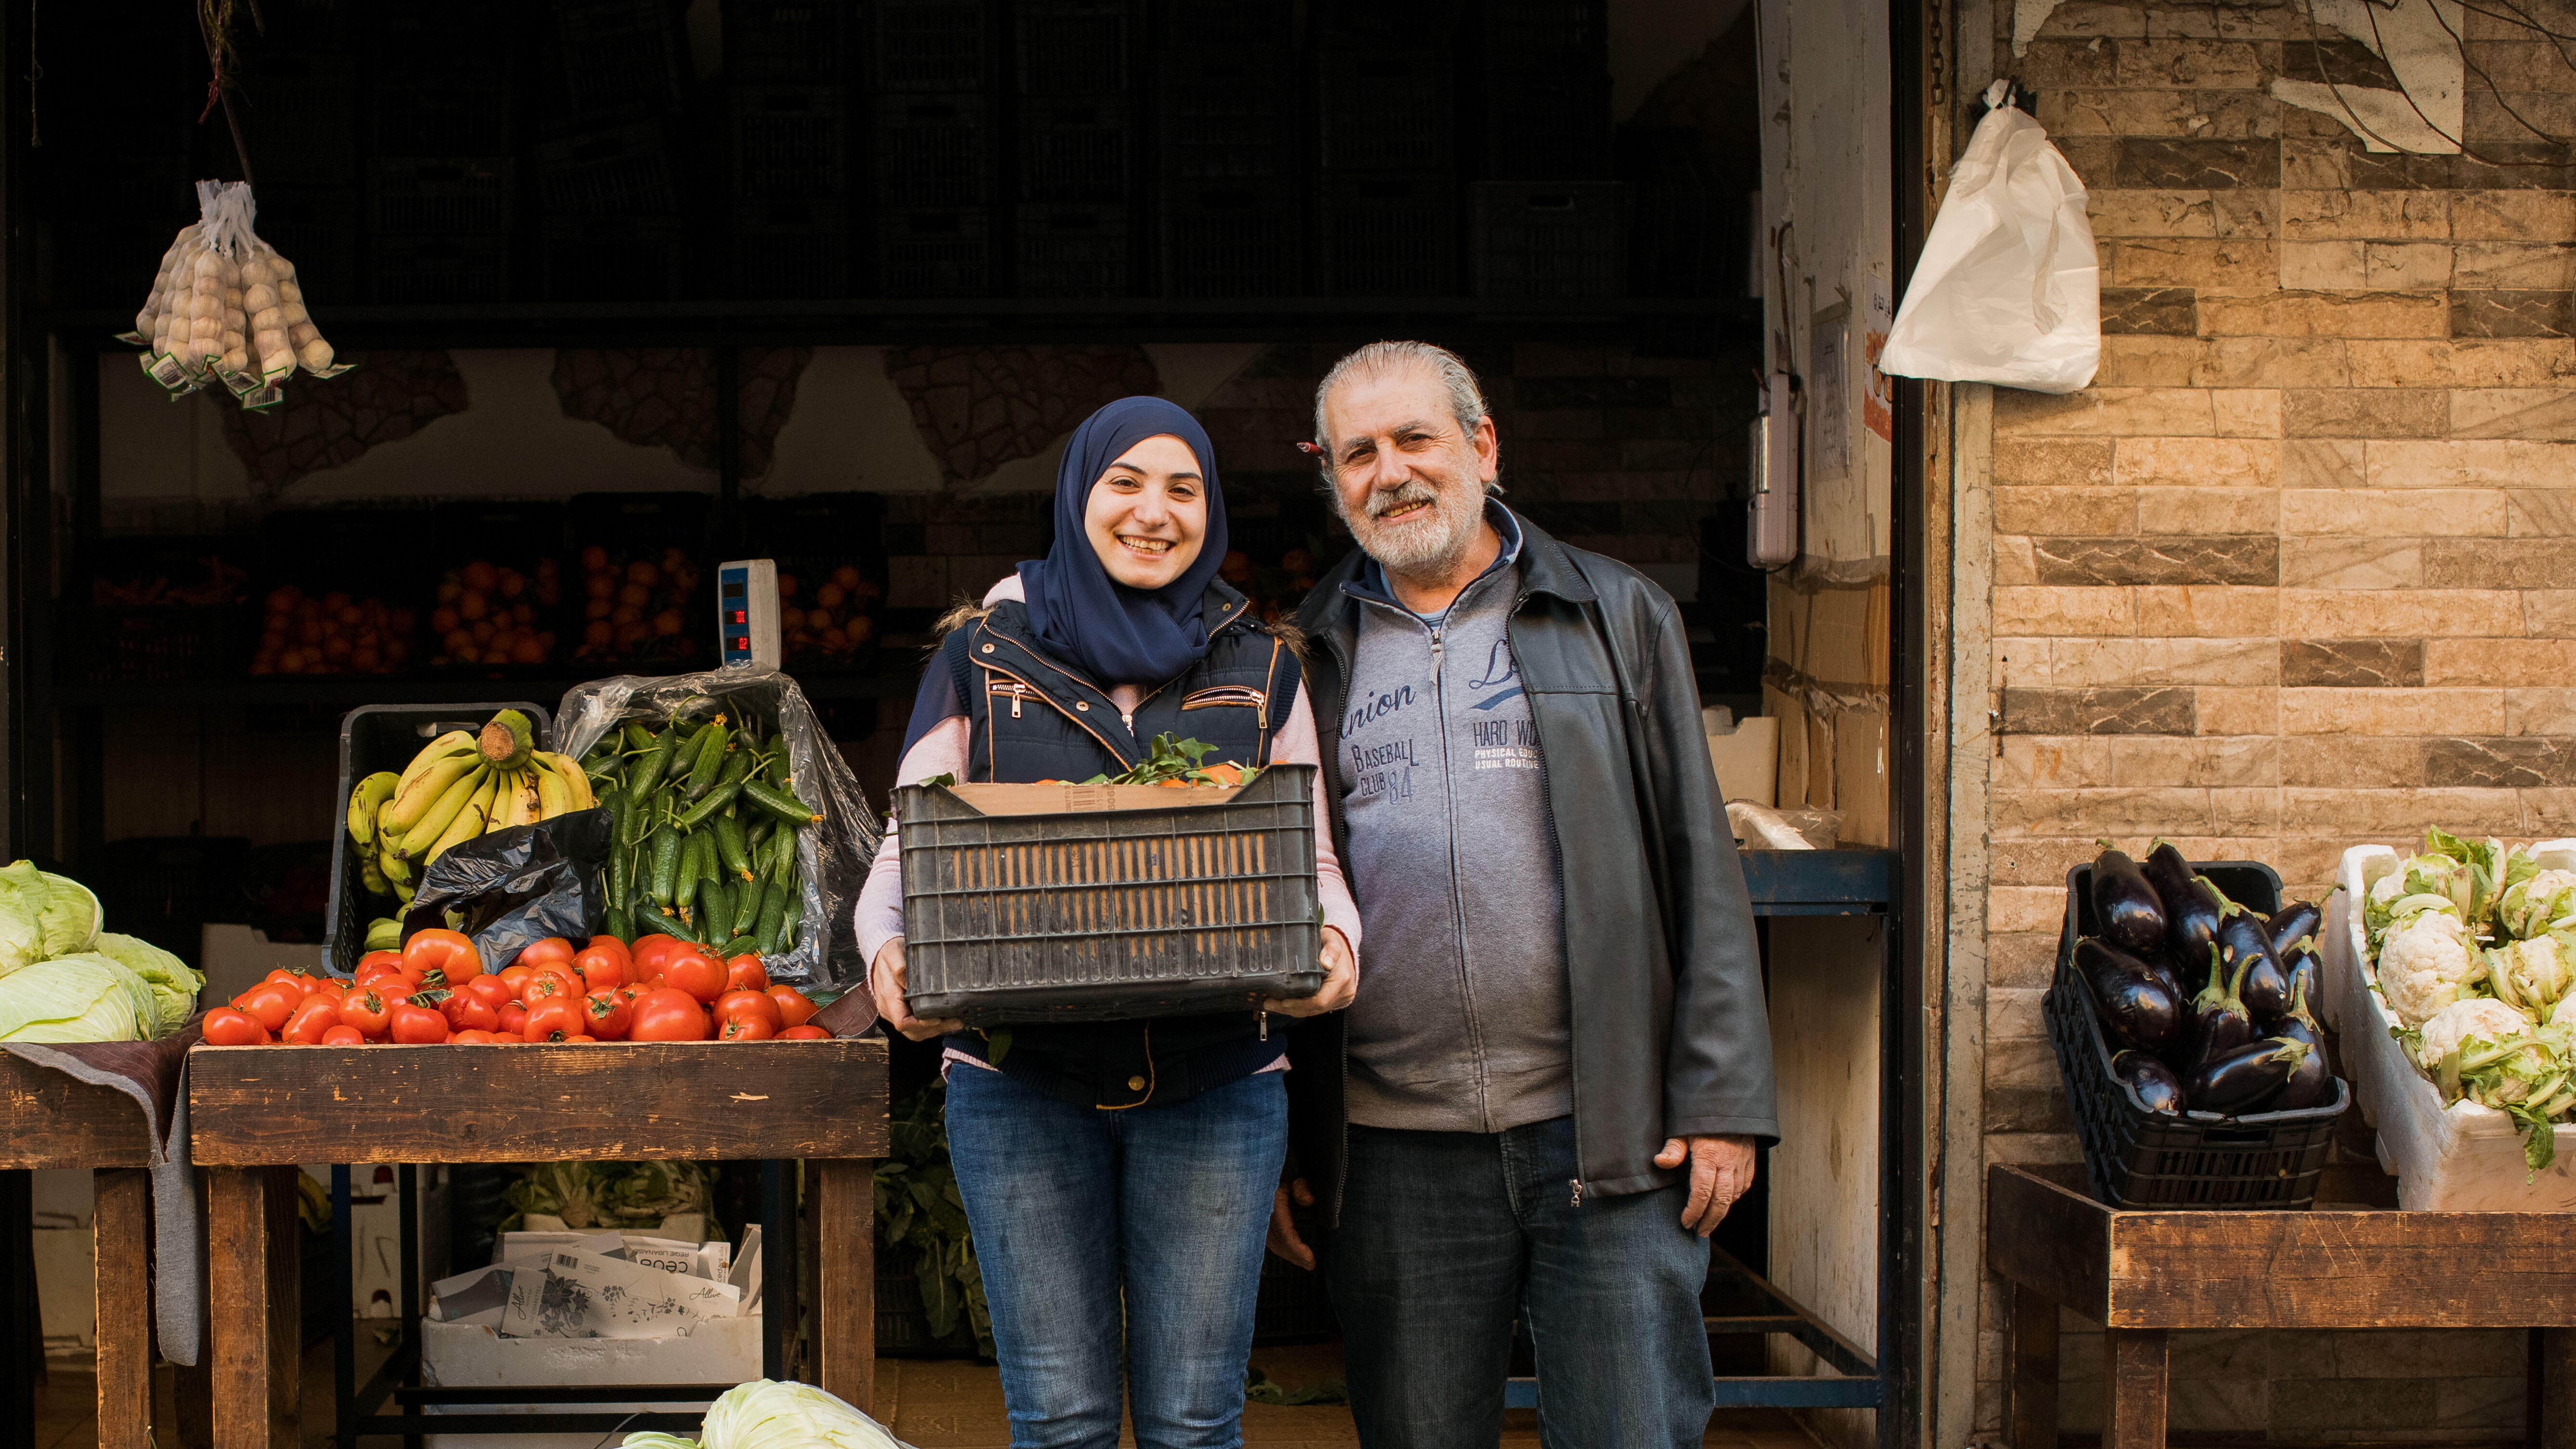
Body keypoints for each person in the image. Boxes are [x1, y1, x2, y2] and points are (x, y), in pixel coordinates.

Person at [1273, 341, 1778, 1448]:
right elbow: (1273, 905)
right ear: (1332, 477)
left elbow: (1700, 859)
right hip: (1391, 1147)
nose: (1390, 472)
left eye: (1416, 438)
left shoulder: (1615, 613)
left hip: (1612, 1134)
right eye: (1358, 453)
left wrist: (1723, 1098)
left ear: (1481, 446)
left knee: (1631, 1430)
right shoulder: (1302, 653)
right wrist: (1284, 1140)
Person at [851, 395, 1361, 1449]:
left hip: (1217, 1083)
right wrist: (886, 948)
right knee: (1061, 1418)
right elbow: (908, 844)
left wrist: (1338, 944)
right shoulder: (980, 656)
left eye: (1182, 488)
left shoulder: (1262, 664)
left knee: (1191, 1417)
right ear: (1080, 493)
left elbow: (1307, 854)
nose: (1152, 512)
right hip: (1018, 1083)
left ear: (1209, 510)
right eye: (1124, 482)